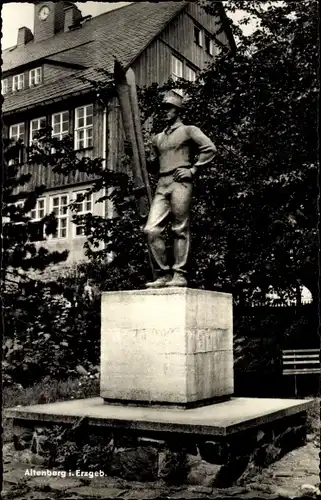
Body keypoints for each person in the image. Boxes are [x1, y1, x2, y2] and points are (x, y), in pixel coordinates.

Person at [144, 94, 216, 288]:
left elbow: (209, 148)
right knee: (151, 230)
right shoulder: (157, 138)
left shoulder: (188, 130)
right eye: (164, 108)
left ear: (178, 110)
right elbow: (151, 165)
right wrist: (138, 154)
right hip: (162, 183)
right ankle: (163, 274)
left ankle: (179, 274)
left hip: (180, 182)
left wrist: (193, 169)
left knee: (179, 228)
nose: (165, 112)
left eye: (169, 108)